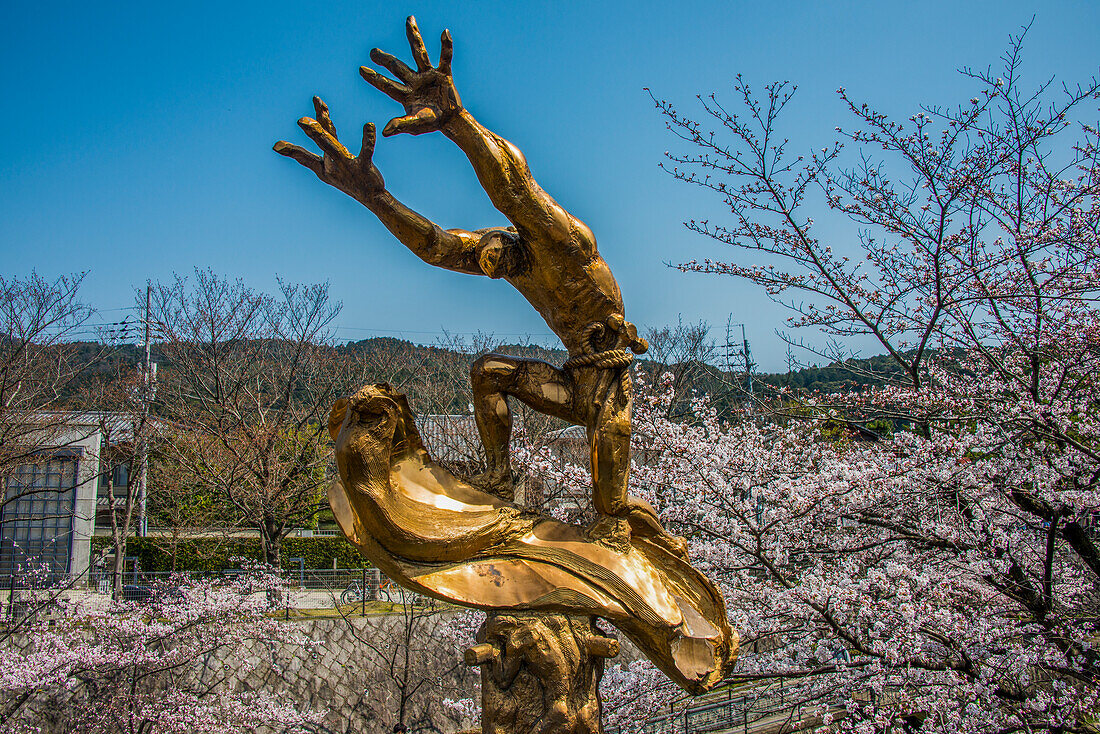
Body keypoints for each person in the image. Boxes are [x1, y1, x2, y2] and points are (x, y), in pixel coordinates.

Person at [275, 17, 680, 555]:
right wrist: (372, 196)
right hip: (573, 379)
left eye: (497, 258)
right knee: (488, 373)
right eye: (488, 262)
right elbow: (437, 247)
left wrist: (457, 122)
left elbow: (514, 185)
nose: (494, 268)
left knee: (610, 514)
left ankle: (621, 526)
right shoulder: (503, 256)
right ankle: (498, 477)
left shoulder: (563, 241)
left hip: (609, 382)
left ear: (514, 237)